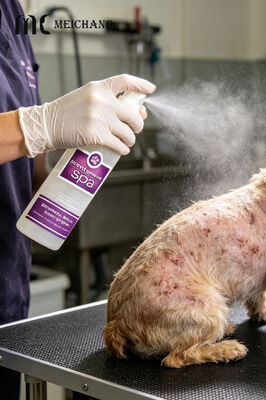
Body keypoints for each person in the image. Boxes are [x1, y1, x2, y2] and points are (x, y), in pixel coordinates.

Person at [0, 1, 155, 398]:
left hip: (7, 291)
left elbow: (27, 157)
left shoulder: (13, 15)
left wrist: (68, 160)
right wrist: (40, 124)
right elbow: (30, 127)